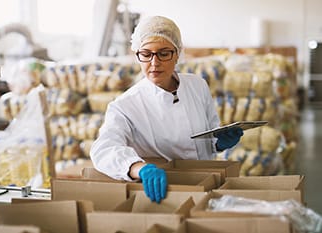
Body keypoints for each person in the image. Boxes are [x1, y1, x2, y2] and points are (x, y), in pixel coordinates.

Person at [90, 15, 243, 203]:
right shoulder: (125, 106)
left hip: (209, 184)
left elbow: (209, 134)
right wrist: (139, 167)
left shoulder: (197, 86)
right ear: (137, 54)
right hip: (165, 193)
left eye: (163, 53)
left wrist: (220, 142)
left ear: (177, 53)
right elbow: (103, 149)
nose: (154, 63)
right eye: (146, 54)